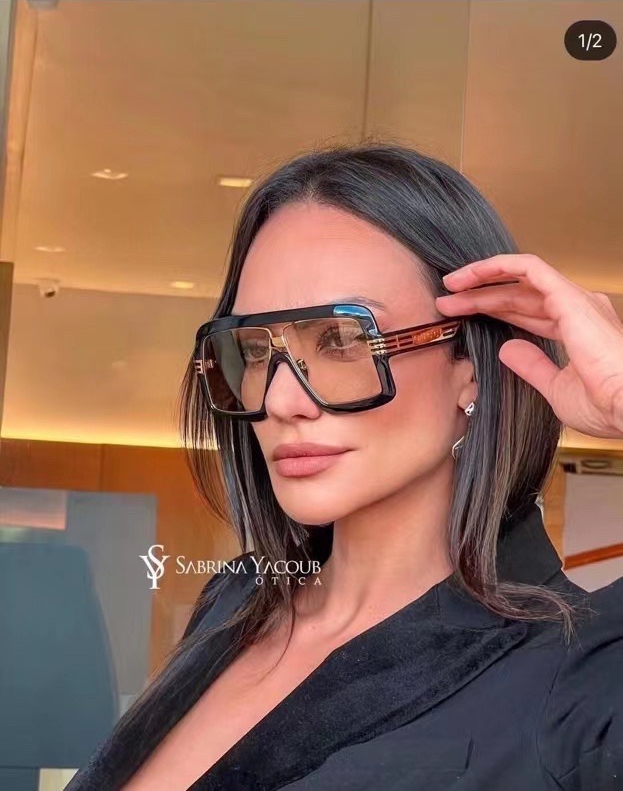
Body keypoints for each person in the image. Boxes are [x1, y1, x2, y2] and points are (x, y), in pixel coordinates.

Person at [67, 143, 623, 790]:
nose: (280, 400)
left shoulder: (576, 678)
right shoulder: (239, 599)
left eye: (341, 340)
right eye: (253, 350)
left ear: (470, 367)